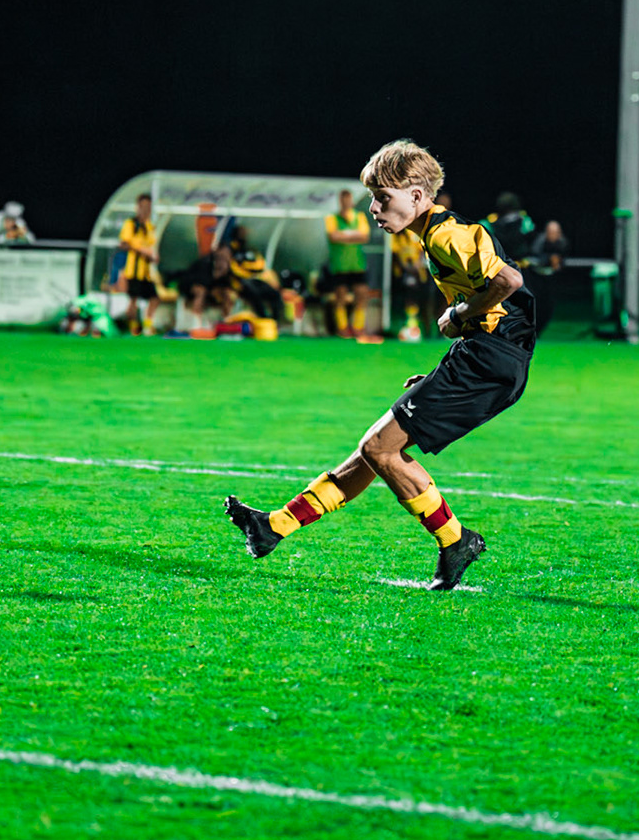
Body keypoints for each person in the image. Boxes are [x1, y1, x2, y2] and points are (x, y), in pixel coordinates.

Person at [223, 140, 530, 591]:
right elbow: (504, 310)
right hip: (486, 358)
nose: (373, 207)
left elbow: (510, 282)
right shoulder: (437, 234)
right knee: (372, 453)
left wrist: (458, 319)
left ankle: (456, 540)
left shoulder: (446, 236)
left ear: (418, 196)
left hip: (490, 360)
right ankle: (274, 528)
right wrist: (448, 367)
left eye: (382, 197)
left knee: (381, 449)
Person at [324, 189, 372, 337]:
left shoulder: (359, 217)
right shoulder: (332, 218)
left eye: (349, 199)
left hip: (357, 263)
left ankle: (358, 327)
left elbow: (364, 237)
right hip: (339, 264)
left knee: (362, 295)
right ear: (340, 201)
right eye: (344, 199)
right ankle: (343, 328)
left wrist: (343, 235)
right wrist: (353, 235)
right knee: (340, 297)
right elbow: (333, 236)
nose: (347, 202)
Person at [116, 193, 162, 336]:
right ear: (138, 207)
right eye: (142, 206)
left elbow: (151, 247)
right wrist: (143, 251)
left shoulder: (150, 227)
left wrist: (154, 256)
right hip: (132, 270)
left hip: (146, 273)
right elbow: (124, 243)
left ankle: (147, 325)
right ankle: (133, 327)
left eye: (148, 207)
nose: (145, 210)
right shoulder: (131, 224)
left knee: (155, 298)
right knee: (133, 300)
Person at [226, 225, 285, 323]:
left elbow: (261, 264)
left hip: (256, 279)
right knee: (253, 293)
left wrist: (247, 267)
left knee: (274, 293)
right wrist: (249, 269)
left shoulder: (250, 250)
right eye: (241, 234)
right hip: (240, 282)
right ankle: (263, 318)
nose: (244, 236)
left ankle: (274, 321)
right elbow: (234, 268)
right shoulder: (230, 250)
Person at [526, 220, 570, 334]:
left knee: (549, 306)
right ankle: (533, 330)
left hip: (550, 278)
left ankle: (539, 330)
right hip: (536, 277)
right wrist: (547, 259)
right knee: (536, 305)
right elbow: (532, 257)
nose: (553, 235)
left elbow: (562, 259)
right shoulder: (539, 242)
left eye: (555, 232)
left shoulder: (562, 242)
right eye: (551, 232)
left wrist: (558, 262)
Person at [180, 246, 239, 324]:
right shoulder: (205, 263)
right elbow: (202, 283)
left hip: (210, 287)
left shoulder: (230, 268)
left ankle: (227, 321)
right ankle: (196, 322)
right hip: (190, 284)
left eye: (225, 257)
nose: (222, 260)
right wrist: (216, 275)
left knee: (227, 294)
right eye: (220, 257)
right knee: (201, 291)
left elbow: (227, 285)